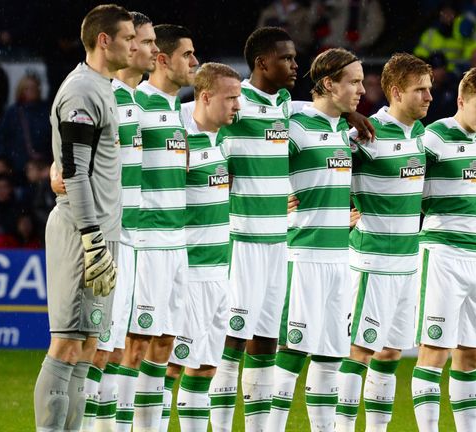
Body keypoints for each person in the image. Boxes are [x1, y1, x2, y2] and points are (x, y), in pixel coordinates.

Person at [33, 5, 134, 431]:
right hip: (82, 232)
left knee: (89, 345)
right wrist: (92, 237)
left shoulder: (102, 88)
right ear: (104, 40)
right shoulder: (80, 91)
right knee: (66, 344)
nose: (132, 44)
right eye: (128, 37)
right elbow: (72, 171)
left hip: (101, 232)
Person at [265, 47, 363, 432]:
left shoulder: (344, 128)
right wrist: (273, 200)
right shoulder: (294, 122)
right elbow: (242, 160)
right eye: (353, 82)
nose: (361, 89)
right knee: (292, 351)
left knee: (331, 355)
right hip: (302, 255)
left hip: (340, 257)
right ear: (327, 83)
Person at [335, 52, 432, 432]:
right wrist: (333, 211)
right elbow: (322, 166)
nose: (428, 97)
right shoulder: (364, 133)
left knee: (390, 353)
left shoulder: (423, 135)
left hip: (409, 261)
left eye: (429, 89)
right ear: (395, 91)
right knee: (359, 351)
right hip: (372, 262)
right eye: (419, 90)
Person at [210, 26, 298, 432]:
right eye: (286, 58)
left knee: (266, 340)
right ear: (262, 63)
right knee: (232, 340)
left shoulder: (284, 104)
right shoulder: (235, 103)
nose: (295, 66)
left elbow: (320, 115)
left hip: (278, 242)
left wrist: (350, 113)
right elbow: (198, 137)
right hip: (241, 240)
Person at [411, 66, 476, 432]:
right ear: (461, 101)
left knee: (471, 353)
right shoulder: (433, 138)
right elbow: (404, 185)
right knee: (434, 352)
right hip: (442, 255)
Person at [119, 24, 197, 432]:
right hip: (146, 242)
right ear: (163, 59)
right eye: (188, 54)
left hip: (176, 240)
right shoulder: (139, 102)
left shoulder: (177, 110)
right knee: (134, 346)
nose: (195, 62)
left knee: (166, 346)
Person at [89, 11, 158, 432]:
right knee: (93, 347)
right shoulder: (103, 94)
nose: (150, 49)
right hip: (104, 238)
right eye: (143, 41)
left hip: (133, 240)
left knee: (117, 348)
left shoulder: (135, 99)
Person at [163, 62, 242, 431]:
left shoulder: (225, 139)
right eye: (231, 98)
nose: (238, 106)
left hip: (219, 272)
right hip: (189, 273)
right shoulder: (178, 134)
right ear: (206, 96)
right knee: (170, 365)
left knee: (206, 367)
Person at [0, 73, 52, 176]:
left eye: (34, 87)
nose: (32, 91)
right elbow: (1, 137)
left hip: (44, 163)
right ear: (21, 90)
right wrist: (1, 158)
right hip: (18, 165)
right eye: (27, 88)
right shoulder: (13, 112)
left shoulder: (46, 111)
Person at [414, 2, 463, 71]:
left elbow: (465, 60)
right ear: (439, 14)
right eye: (444, 12)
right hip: (431, 73)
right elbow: (419, 56)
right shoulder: (430, 34)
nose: (447, 16)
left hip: (454, 76)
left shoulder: (461, 35)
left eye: (450, 13)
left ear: (456, 15)